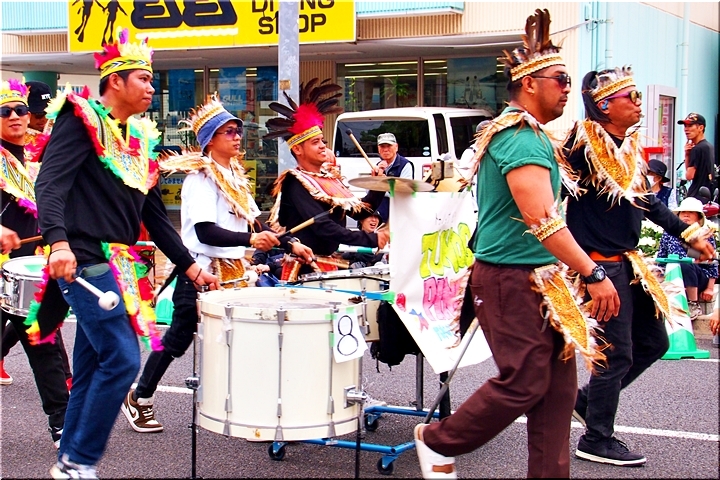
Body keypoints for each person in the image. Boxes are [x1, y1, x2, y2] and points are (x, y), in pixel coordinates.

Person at [413, 9, 620, 478]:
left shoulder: (531, 135)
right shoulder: (521, 138)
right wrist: (593, 272)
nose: (568, 89)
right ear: (529, 84)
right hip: (512, 277)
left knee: (557, 395)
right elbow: (543, 222)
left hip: (542, 279)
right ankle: (438, 439)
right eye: (560, 80)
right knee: (525, 381)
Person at [33, 28, 220, 478]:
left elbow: (153, 215)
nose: (152, 88)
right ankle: (79, 461)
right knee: (121, 359)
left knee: (92, 365)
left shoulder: (139, 139)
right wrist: (58, 242)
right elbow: (50, 184)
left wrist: (191, 268)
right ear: (115, 81)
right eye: (144, 79)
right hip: (83, 257)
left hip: (118, 262)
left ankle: (68, 463)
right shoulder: (80, 118)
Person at [122, 97, 314, 433]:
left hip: (234, 271)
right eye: (229, 132)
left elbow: (255, 222)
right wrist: (251, 240)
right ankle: (140, 396)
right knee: (179, 338)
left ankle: (252, 407)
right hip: (202, 271)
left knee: (248, 337)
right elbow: (205, 231)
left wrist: (291, 243)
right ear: (210, 140)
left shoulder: (235, 175)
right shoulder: (200, 179)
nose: (238, 136)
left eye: (238, 131)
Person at [564, 66, 715, 467]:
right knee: (615, 356)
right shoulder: (582, 145)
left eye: (637, 95)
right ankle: (596, 438)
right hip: (601, 268)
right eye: (629, 96)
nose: (638, 102)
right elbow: (546, 197)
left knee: (653, 344)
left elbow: (648, 203)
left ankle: (587, 402)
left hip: (629, 265)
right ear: (603, 105)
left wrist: (689, 234)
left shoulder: (626, 148)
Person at [0, 78, 70, 448]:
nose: (15, 116)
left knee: (42, 344)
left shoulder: (35, 158)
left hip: (24, 272)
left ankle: (62, 424)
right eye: (5, 111)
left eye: (20, 109)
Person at [265, 78, 389, 281]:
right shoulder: (295, 181)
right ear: (298, 149)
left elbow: (360, 211)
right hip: (304, 268)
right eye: (316, 142)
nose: (323, 145)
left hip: (326, 263)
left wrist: (378, 185)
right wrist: (370, 239)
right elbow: (323, 227)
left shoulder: (329, 179)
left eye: (322, 140)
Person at [657, 197, 717, 320]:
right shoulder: (668, 234)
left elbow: (713, 263)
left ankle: (693, 304)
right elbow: (661, 258)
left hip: (698, 276)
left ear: (698, 217)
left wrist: (710, 288)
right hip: (673, 274)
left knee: (685, 264)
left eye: (691, 212)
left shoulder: (704, 234)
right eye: (683, 212)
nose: (686, 215)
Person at [375, 132, 413, 221]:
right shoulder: (378, 166)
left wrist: (383, 186)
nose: (385, 150)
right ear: (378, 149)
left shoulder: (405, 165)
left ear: (396, 147)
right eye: (382, 146)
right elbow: (369, 191)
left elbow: (403, 192)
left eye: (389, 146)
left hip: (398, 214)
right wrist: (375, 178)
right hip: (380, 214)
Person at [679, 113, 716, 200]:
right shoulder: (708, 146)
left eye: (690, 126)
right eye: (685, 126)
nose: (686, 129)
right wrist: (687, 154)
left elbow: (689, 176)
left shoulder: (697, 149)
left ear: (701, 128)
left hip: (696, 196)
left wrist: (688, 154)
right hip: (708, 194)